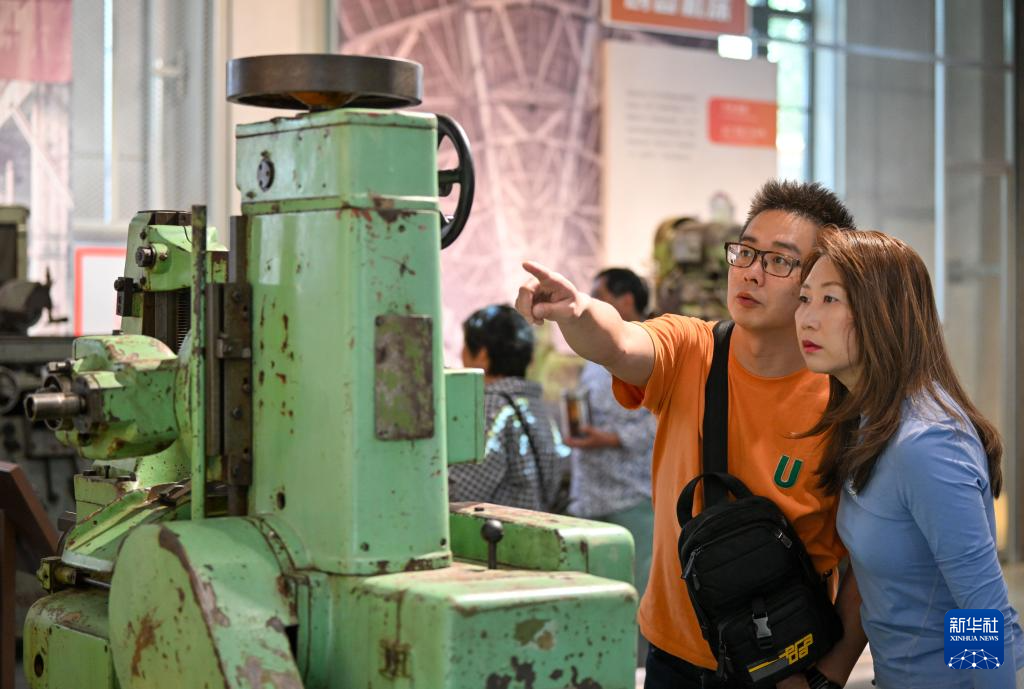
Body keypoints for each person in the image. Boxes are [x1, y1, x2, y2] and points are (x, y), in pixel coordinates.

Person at [515, 180, 867, 689]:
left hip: (783, 664)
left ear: (821, 281)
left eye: (779, 261)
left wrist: (828, 676)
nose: (751, 271)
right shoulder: (692, 349)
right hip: (674, 658)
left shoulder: (848, 403)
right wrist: (578, 311)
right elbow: (619, 341)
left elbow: (875, 562)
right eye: (746, 252)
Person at [795, 228, 1024, 689]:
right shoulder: (867, 420)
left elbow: (981, 611)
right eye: (804, 298)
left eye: (830, 299)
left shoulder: (928, 444)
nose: (806, 319)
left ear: (884, 313)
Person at [567, 268, 658, 663]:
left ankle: (635, 671)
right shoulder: (595, 353)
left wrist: (611, 438)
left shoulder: (653, 348)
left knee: (637, 599)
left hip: (632, 498)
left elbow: (659, 422)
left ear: (626, 301)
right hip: (590, 498)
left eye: (599, 295)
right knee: (598, 600)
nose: (591, 303)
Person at [448, 304, 570, 511]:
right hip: (535, 523)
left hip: (496, 529)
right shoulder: (535, 404)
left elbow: (461, 491)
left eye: (465, 346)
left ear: (482, 355)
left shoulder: (488, 407)